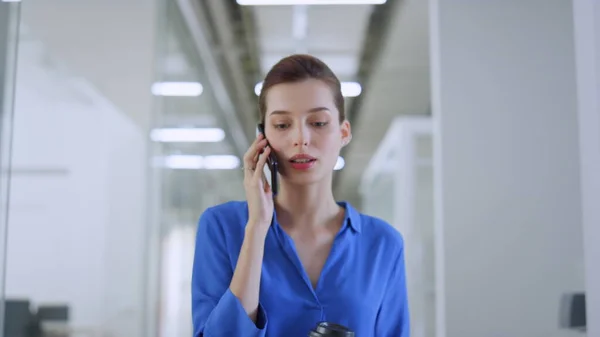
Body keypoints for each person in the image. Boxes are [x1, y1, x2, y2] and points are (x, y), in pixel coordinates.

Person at [191, 54, 409, 337]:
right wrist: (257, 228)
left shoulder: (383, 244)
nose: (301, 138)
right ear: (262, 138)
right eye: (282, 125)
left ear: (343, 132)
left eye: (318, 123)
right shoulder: (221, 227)